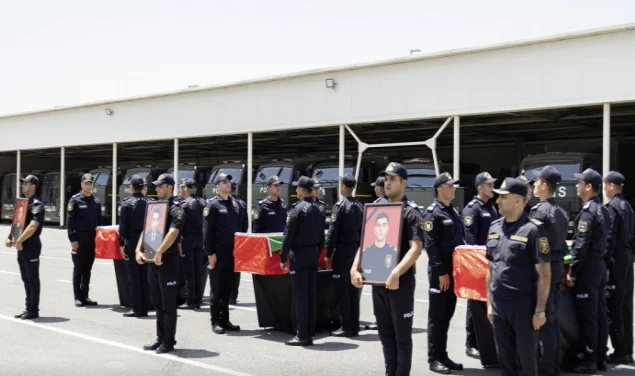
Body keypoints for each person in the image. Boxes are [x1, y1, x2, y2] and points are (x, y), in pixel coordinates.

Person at [352, 162, 424, 375]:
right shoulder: (377, 208)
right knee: (386, 338)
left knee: (402, 338)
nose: (388, 183)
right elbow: (365, 243)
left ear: (404, 182)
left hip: (399, 283)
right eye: (387, 179)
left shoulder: (411, 213)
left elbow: (416, 249)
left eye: (393, 179)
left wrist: (396, 273)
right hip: (378, 282)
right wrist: (355, 268)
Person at [486, 177, 551, 376]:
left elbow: (544, 274)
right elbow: (490, 268)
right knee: (504, 359)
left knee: (527, 360)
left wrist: (540, 310)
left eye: (503, 197)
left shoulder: (534, 230)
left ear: (517, 200)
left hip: (523, 305)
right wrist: (489, 304)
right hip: (499, 305)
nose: (497, 201)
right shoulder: (494, 227)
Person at [566, 168, 611, 373]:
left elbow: (581, 245)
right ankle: (601, 357)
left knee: (588, 316)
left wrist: (573, 272)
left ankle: (589, 360)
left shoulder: (588, 212)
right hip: (599, 265)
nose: (576, 186)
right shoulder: (603, 209)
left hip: (588, 268)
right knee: (600, 314)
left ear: (589, 186)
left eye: (579, 182)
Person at [136, 174, 185, 354]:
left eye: (160, 186)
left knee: (168, 304)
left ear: (170, 187)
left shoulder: (176, 208)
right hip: (153, 260)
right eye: (155, 187)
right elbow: (147, 229)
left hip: (168, 261)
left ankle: (169, 341)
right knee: (157, 302)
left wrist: (159, 252)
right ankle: (160, 338)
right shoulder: (155, 206)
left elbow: (173, 233)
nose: (156, 189)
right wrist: (137, 249)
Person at [423, 171, 464, 374]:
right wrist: (441, 273)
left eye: (453, 186)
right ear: (440, 189)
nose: (453, 189)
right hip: (440, 276)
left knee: (447, 316)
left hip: (453, 273)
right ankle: (433, 358)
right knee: (437, 317)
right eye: (449, 186)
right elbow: (430, 246)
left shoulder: (452, 211)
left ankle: (443, 355)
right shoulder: (433, 213)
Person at [529, 166, 569, 376]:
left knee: (539, 319)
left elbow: (534, 245)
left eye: (536, 182)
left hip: (543, 271)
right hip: (557, 267)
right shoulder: (561, 212)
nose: (534, 185)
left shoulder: (539, 211)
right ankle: (552, 367)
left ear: (544, 186)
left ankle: (542, 367)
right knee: (551, 321)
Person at [280, 176, 324, 346]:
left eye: (297, 188)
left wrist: (283, 256)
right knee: (311, 294)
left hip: (299, 254)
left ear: (301, 190)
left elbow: (288, 235)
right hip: (313, 252)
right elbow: (321, 237)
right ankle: (310, 332)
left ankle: (302, 335)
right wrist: (316, 251)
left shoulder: (297, 209)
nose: (295, 190)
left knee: (301, 296)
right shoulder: (318, 208)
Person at [461, 171, 498, 360]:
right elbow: (471, 241)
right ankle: (471, 343)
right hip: (478, 264)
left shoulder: (491, 207)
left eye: (492, 184)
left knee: (489, 304)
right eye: (489, 185)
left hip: (492, 263)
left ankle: (487, 341)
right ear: (480, 188)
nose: (492, 188)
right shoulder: (472, 209)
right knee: (474, 303)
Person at [203, 173, 243, 334]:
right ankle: (215, 321)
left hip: (231, 253)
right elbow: (206, 231)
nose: (228, 184)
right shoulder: (212, 205)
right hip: (217, 253)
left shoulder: (234, 204)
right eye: (224, 182)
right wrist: (210, 253)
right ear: (217, 186)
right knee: (216, 289)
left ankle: (225, 320)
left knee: (227, 288)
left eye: (229, 182)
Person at [325, 174, 363, 337]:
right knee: (354, 290)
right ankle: (354, 325)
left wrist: (328, 253)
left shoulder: (339, 206)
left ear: (343, 187)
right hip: (356, 251)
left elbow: (333, 231)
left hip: (342, 252)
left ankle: (346, 326)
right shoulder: (360, 206)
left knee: (342, 290)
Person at [603, 171, 634, 365]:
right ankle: (627, 348)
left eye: (606, 185)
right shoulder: (628, 206)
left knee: (614, 304)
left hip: (616, 260)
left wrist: (605, 262)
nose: (604, 189)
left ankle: (620, 350)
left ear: (612, 186)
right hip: (627, 258)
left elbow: (609, 238)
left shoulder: (612, 207)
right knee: (626, 306)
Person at [5, 175, 44, 319]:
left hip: (31, 244)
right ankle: (28, 308)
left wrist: (19, 241)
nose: (23, 186)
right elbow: (17, 223)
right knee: (25, 279)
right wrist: (10, 237)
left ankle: (34, 310)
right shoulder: (24, 203)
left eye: (25, 183)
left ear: (33, 186)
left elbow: (33, 226)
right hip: (22, 244)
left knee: (32, 279)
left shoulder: (36, 204)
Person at [66, 173, 102, 307]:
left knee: (88, 269)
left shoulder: (96, 201)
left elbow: (99, 223)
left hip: (92, 239)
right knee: (78, 269)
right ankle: (77, 297)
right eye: (86, 183)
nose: (88, 185)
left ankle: (85, 296)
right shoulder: (75, 200)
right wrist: (73, 240)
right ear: (81, 184)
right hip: (79, 239)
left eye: (90, 183)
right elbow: (70, 222)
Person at [118, 174, 151, 317]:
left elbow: (123, 227)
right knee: (146, 275)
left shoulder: (126, 204)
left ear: (131, 187)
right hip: (148, 240)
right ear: (143, 187)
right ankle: (148, 304)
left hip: (133, 241)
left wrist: (121, 244)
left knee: (134, 276)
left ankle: (137, 308)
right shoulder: (151, 202)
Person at [180, 178, 207, 310]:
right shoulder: (204, 203)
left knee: (189, 272)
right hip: (200, 238)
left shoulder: (184, 204)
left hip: (188, 239)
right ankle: (198, 299)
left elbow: (180, 225)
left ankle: (191, 300)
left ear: (187, 189)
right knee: (198, 271)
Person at [360, 213, 398, 283]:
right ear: (374, 229)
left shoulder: (394, 252)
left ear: (388, 229)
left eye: (384, 225)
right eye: (378, 225)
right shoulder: (365, 253)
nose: (381, 229)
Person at [230, 181, 248, 305]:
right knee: (236, 270)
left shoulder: (224, 203)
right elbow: (245, 224)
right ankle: (233, 295)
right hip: (238, 240)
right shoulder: (242, 203)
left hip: (225, 241)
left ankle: (226, 295)